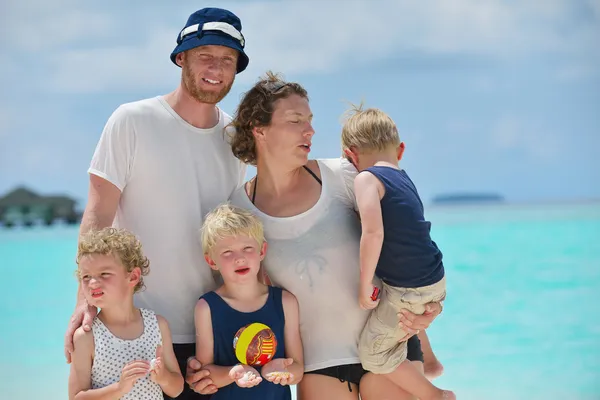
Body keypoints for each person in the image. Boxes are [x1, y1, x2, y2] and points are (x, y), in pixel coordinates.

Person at [186, 71, 443, 400]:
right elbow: (242, 295)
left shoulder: (346, 177)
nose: (310, 130)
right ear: (260, 130)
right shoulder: (239, 209)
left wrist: (426, 316)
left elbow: (407, 241)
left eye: (309, 120)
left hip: (390, 351)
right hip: (319, 363)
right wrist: (209, 364)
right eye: (295, 121)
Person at [63, 7, 249, 399]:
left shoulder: (236, 138)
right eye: (205, 56)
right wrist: (85, 302)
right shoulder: (131, 120)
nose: (216, 68)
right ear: (181, 56)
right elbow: (98, 214)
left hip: (212, 331)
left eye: (227, 60)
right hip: (134, 330)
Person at [341, 106, 454, 400]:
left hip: (408, 288)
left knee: (374, 356)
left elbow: (373, 233)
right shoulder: (404, 179)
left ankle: (435, 395)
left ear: (350, 154)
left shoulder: (366, 178)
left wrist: (364, 285)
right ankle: (429, 362)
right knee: (399, 331)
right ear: (400, 150)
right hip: (434, 280)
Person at [194, 203, 304, 399]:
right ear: (211, 261)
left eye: (247, 248)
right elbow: (205, 374)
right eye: (227, 252)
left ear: (262, 251)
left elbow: (297, 369)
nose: (239, 258)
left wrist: (283, 370)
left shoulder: (286, 302)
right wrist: (233, 373)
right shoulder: (206, 308)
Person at [68, 227, 184, 399]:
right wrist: (119, 388)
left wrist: (164, 377)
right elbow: (76, 397)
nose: (92, 283)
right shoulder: (87, 336)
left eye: (104, 274)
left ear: (133, 276)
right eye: (86, 277)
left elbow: (177, 388)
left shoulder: (157, 325)